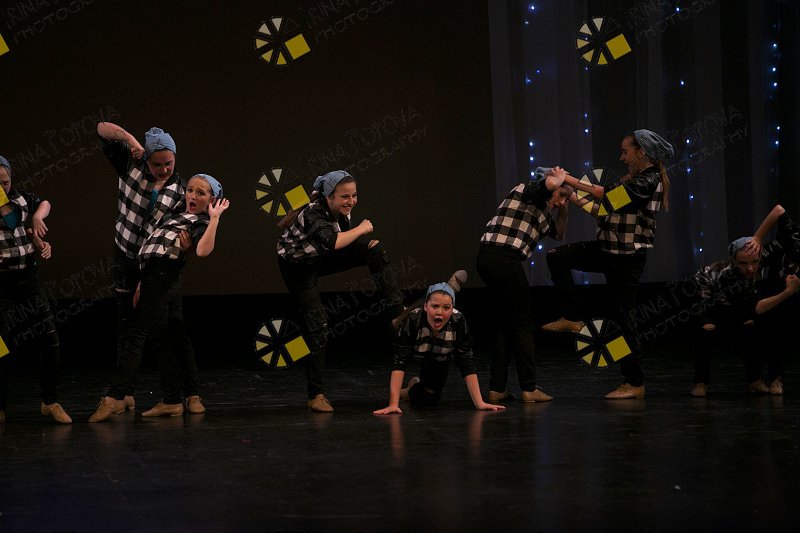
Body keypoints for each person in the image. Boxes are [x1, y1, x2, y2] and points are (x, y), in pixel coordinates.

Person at [543, 129, 674, 399]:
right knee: (556, 257)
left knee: (623, 320)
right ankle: (572, 318)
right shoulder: (635, 179)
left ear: (642, 151)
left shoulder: (648, 181)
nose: (622, 158)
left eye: (626, 152)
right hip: (606, 251)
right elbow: (603, 208)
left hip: (626, 260)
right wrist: (571, 193)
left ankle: (634, 382)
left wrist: (567, 178)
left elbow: (604, 195)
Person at [89, 174, 229, 422]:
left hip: (164, 275)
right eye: (190, 190)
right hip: (153, 274)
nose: (192, 196)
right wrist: (142, 281)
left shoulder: (201, 221)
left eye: (201, 193)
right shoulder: (175, 216)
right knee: (166, 335)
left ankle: (114, 397)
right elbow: (154, 250)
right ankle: (173, 400)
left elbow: (203, 251)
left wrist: (215, 218)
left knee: (136, 333)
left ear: (211, 200)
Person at [97, 122, 205, 413]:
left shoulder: (182, 191)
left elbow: (183, 236)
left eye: (169, 163)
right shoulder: (130, 165)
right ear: (146, 158)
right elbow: (102, 128)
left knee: (169, 327)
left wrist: (150, 277)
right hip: (125, 257)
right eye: (157, 164)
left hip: (157, 266)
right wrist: (131, 141)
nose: (164, 169)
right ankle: (126, 395)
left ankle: (187, 395)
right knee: (126, 325)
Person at [277, 170, 403, 412]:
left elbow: (338, 244)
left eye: (354, 195)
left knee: (375, 250)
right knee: (319, 325)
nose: (351, 201)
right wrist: (363, 229)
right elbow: (333, 241)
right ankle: (316, 395)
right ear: (329, 197)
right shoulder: (313, 213)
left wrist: (365, 246)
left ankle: (398, 314)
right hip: (298, 269)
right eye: (345, 196)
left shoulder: (341, 210)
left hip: (320, 256)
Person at [476, 166, 575, 403]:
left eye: (565, 198)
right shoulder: (528, 191)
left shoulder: (543, 212)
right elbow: (546, 186)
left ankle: (497, 388)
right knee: (523, 325)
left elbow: (559, 234)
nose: (561, 201)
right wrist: (560, 178)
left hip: (489, 259)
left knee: (505, 324)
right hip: (503, 259)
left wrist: (566, 202)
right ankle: (529, 388)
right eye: (561, 195)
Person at [0, 155, 71, 424]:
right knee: (0, 347)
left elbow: (44, 203)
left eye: (5, 182)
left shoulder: (19, 198)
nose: (2, 188)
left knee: (50, 338)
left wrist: (37, 220)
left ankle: (49, 401)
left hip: (28, 280)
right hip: (1, 285)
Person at [689, 227, 800, 398]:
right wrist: (788, 292)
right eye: (743, 264)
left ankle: (756, 380)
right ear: (734, 261)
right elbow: (755, 308)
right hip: (709, 302)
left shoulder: (762, 260)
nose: (750, 268)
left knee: (755, 325)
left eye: (755, 262)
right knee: (707, 329)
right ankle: (700, 382)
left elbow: (783, 228)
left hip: (738, 303)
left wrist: (758, 238)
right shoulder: (727, 276)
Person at [373, 283, 504, 414]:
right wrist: (393, 404)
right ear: (425, 306)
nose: (440, 312)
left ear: (452, 309)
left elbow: (466, 361)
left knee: (429, 398)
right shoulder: (413, 320)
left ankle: (409, 390)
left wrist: (479, 403)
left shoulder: (458, 321)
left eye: (446, 307)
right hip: (417, 346)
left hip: (439, 356)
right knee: (395, 326)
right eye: (435, 306)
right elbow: (400, 362)